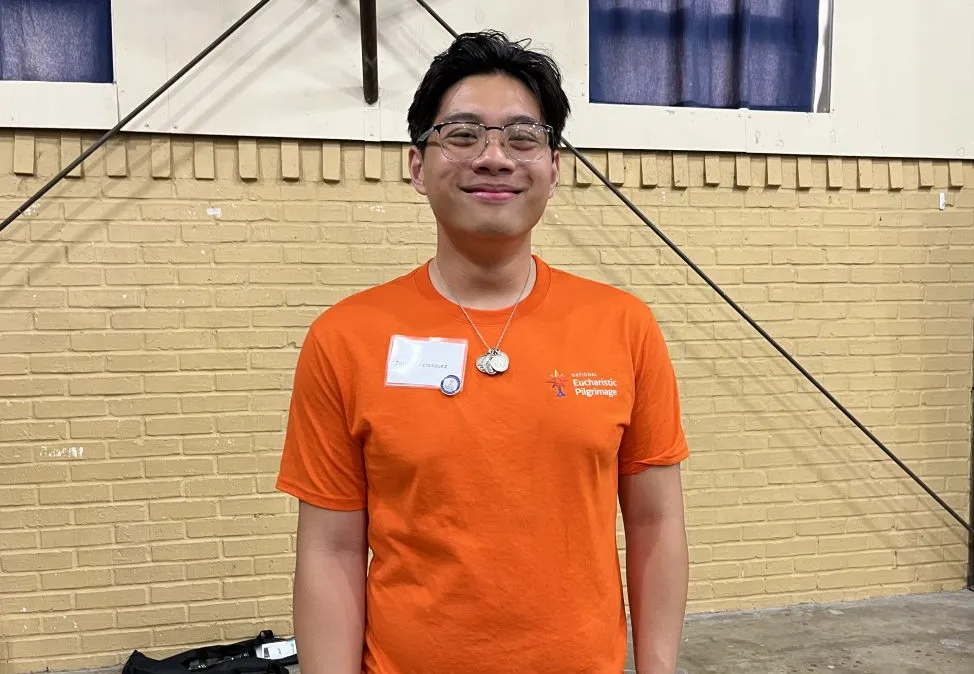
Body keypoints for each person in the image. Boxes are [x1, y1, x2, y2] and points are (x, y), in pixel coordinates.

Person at [276, 29, 690, 674]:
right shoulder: (346, 337)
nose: (494, 157)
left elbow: (656, 523)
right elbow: (329, 550)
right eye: (462, 134)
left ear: (555, 167)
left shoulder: (623, 326)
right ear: (418, 165)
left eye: (523, 136)